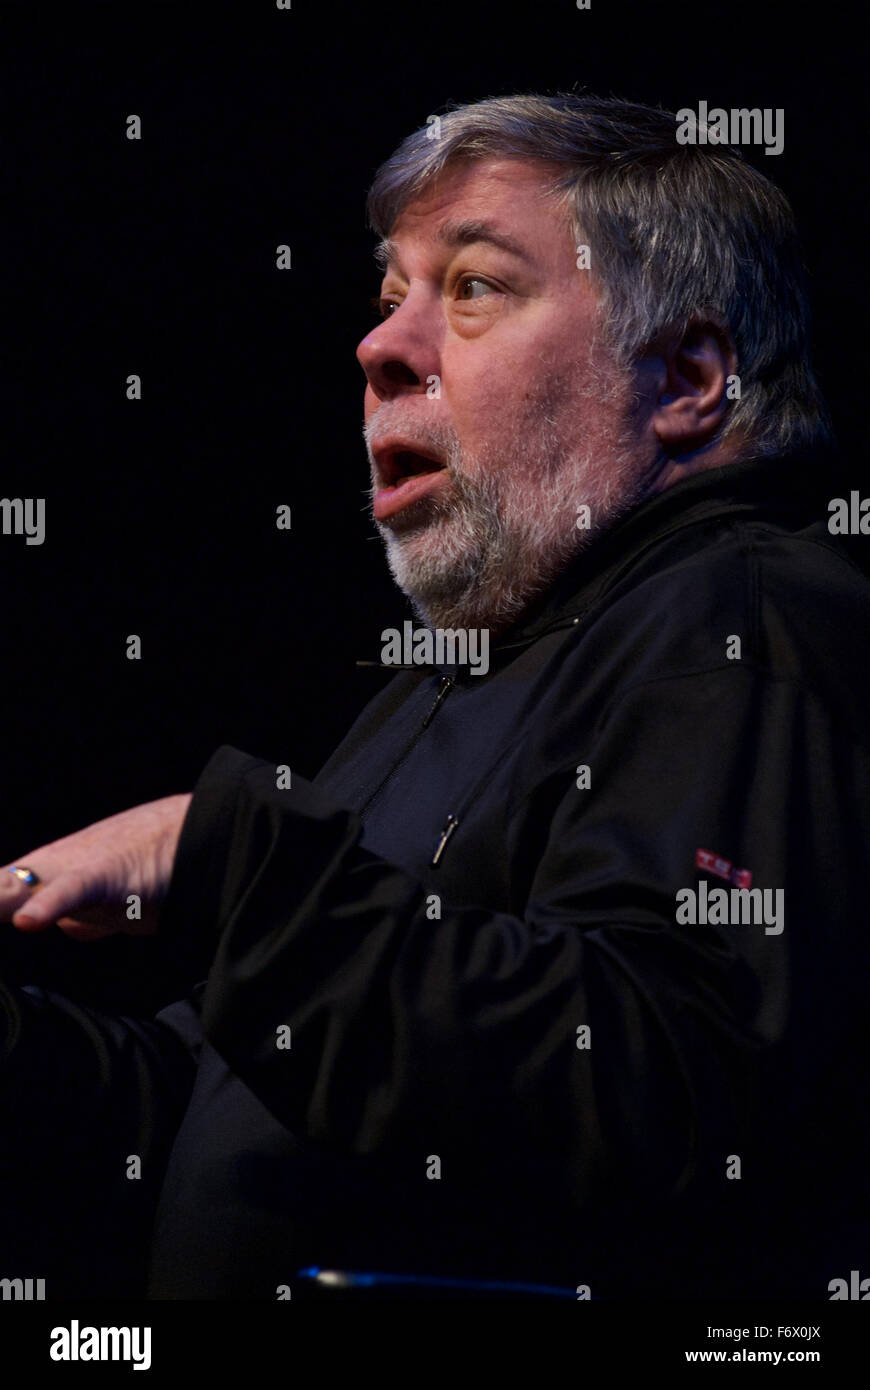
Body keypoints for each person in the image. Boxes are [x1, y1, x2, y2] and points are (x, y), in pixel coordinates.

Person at [2, 93, 868, 1301]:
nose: (381, 348)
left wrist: (228, 857)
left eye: (472, 287)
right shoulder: (450, 678)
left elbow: (670, 1079)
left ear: (685, 376)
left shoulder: (741, 614)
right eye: (388, 295)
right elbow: (228, 1114)